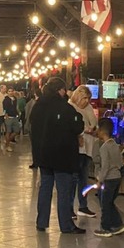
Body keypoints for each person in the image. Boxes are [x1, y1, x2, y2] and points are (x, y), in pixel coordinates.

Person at [32, 77, 85, 234]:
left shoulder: (38, 105)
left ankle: (41, 222)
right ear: (60, 90)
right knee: (64, 190)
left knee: (45, 188)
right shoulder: (64, 107)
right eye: (64, 89)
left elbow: (31, 125)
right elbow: (77, 125)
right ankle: (66, 225)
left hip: (43, 154)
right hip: (63, 155)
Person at [92, 118, 124, 237]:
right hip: (117, 178)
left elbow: (105, 166)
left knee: (105, 204)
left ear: (102, 131)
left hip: (109, 179)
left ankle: (105, 228)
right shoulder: (115, 145)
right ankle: (117, 224)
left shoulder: (104, 147)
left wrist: (99, 180)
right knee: (110, 202)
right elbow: (121, 162)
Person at [69, 85, 97, 218]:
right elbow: (72, 126)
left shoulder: (89, 108)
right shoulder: (70, 107)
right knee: (73, 178)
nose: (86, 101)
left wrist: (91, 127)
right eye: (84, 98)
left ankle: (83, 206)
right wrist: (84, 130)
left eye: (88, 98)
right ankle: (69, 207)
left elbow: (93, 124)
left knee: (84, 179)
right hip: (76, 147)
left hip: (88, 147)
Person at [2, 87, 21, 152]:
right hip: (8, 117)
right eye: (9, 91)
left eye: (12, 91)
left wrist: (18, 113)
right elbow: (4, 108)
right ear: (7, 92)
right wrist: (5, 115)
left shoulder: (15, 99)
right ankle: (7, 146)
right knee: (8, 131)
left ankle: (8, 140)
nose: (10, 92)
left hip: (15, 116)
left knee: (17, 130)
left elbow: (16, 107)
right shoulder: (5, 100)